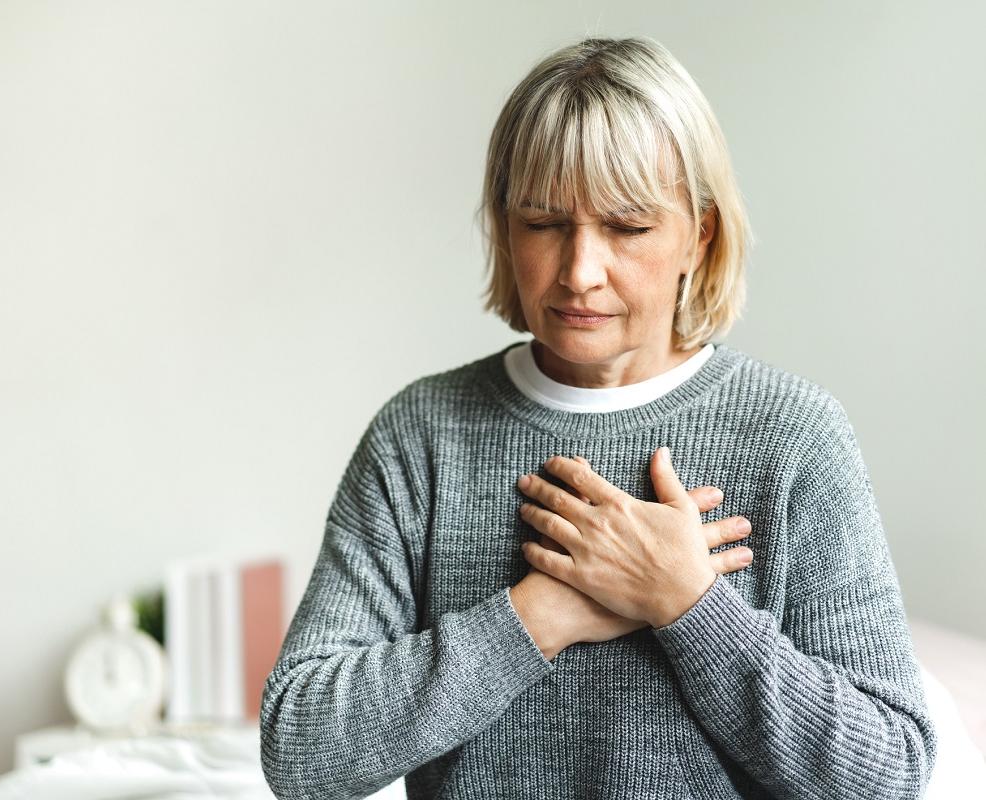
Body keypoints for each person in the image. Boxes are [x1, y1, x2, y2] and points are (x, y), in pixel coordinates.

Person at [259, 36, 936, 799]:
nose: (580, 271)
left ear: (699, 235)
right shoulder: (421, 435)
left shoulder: (794, 436)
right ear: (505, 227)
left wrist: (685, 602)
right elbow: (300, 751)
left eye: (627, 227)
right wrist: (540, 615)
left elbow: (888, 772)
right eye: (544, 223)